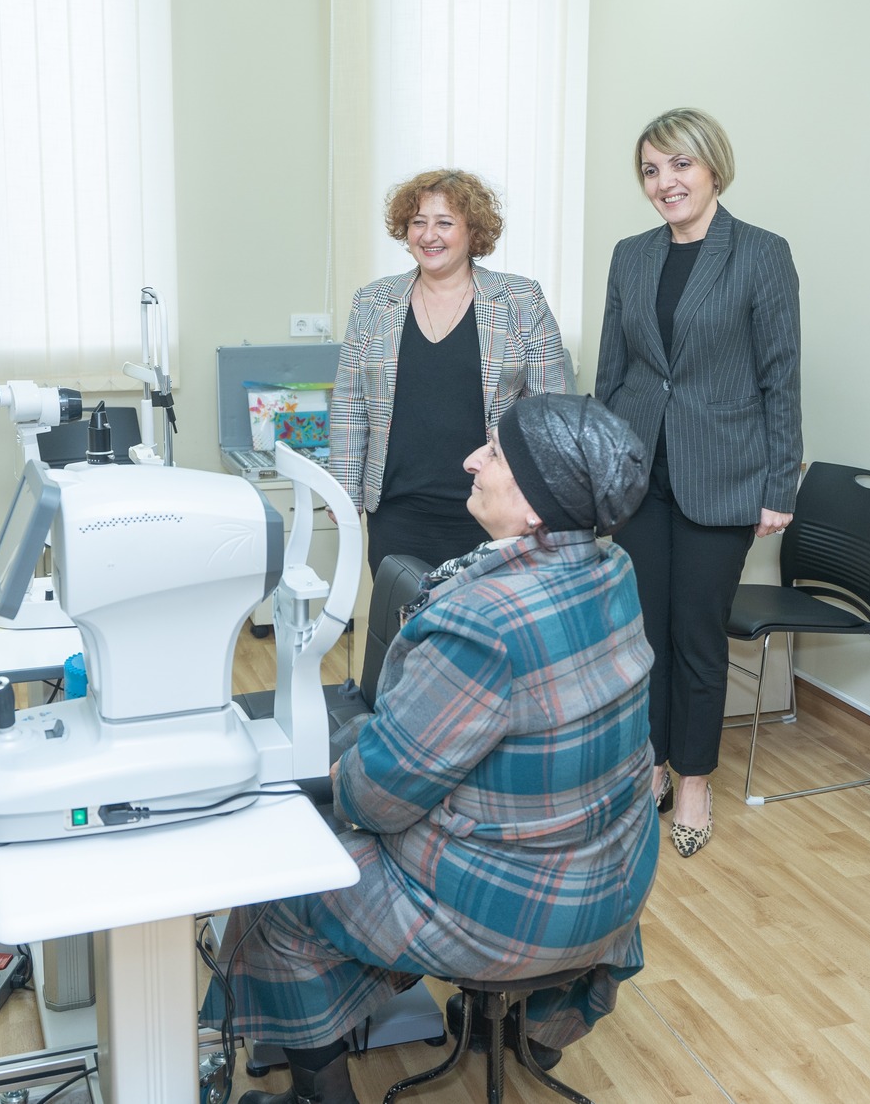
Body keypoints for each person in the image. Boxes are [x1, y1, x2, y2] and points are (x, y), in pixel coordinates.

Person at [208, 393, 658, 1104]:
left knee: (282, 881)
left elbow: (376, 797)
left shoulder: (485, 623)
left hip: (523, 913)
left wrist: (341, 772)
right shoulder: (612, 567)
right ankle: (526, 1032)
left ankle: (322, 1096)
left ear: (536, 509)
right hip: (613, 883)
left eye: (496, 453)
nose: (471, 460)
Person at [594, 107, 802, 858]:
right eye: (651, 170)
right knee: (642, 635)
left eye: (679, 164)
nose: (665, 182)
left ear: (714, 167)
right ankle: (649, 764)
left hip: (724, 475)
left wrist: (780, 485)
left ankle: (694, 782)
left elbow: (781, 375)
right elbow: (613, 371)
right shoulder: (631, 255)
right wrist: (599, 466)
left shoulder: (761, 253)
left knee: (697, 636)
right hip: (639, 474)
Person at [328, 169, 569, 575]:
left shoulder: (521, 300)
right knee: (402, 614)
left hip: (493, 511)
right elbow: (350, 404)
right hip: (398, 512)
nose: (428, 235)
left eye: (444, 223)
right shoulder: (372, 302)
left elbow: (548, 412)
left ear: (473, 231)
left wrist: (543, 498)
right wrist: (344, 492)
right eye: (417, 222)